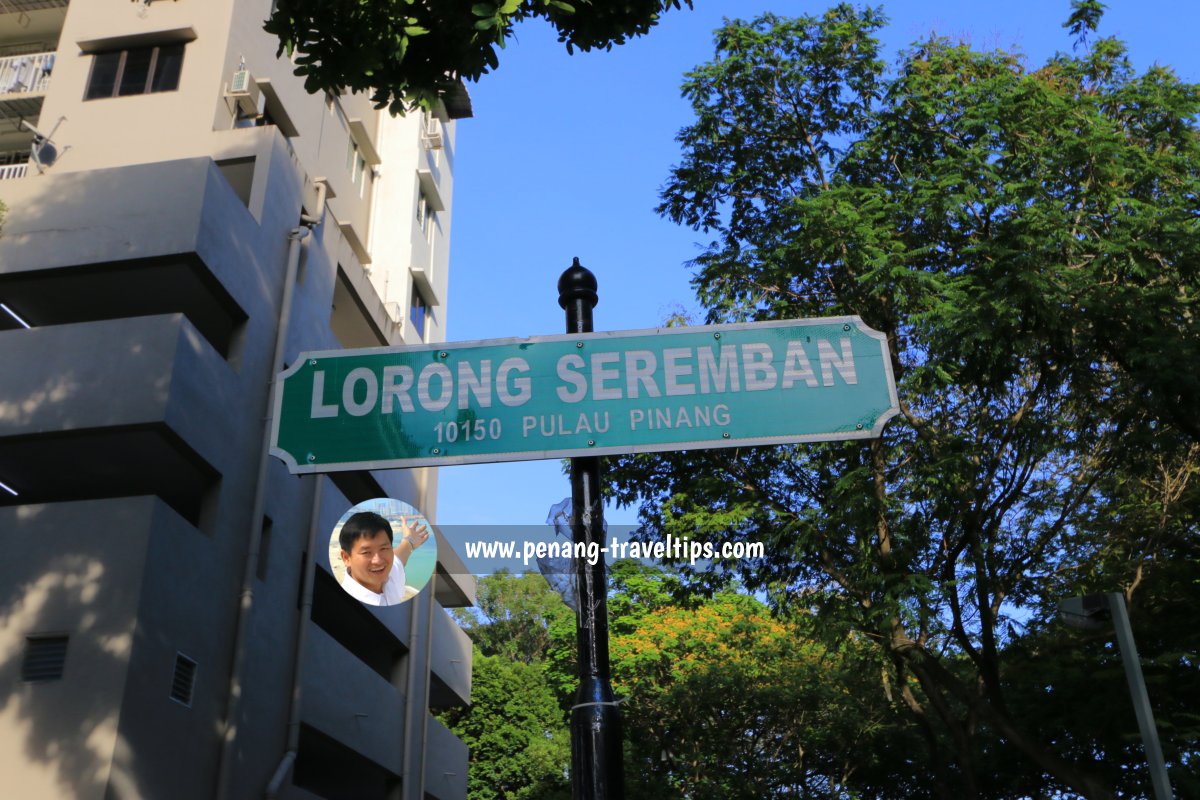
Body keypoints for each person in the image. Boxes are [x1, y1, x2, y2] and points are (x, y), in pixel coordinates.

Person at [337, 511, 430, 606]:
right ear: (346, 558)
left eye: (384, 548)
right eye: (366, 552)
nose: (378, 561)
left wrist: (409, 540)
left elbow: (399, 558)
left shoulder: (389, 576)